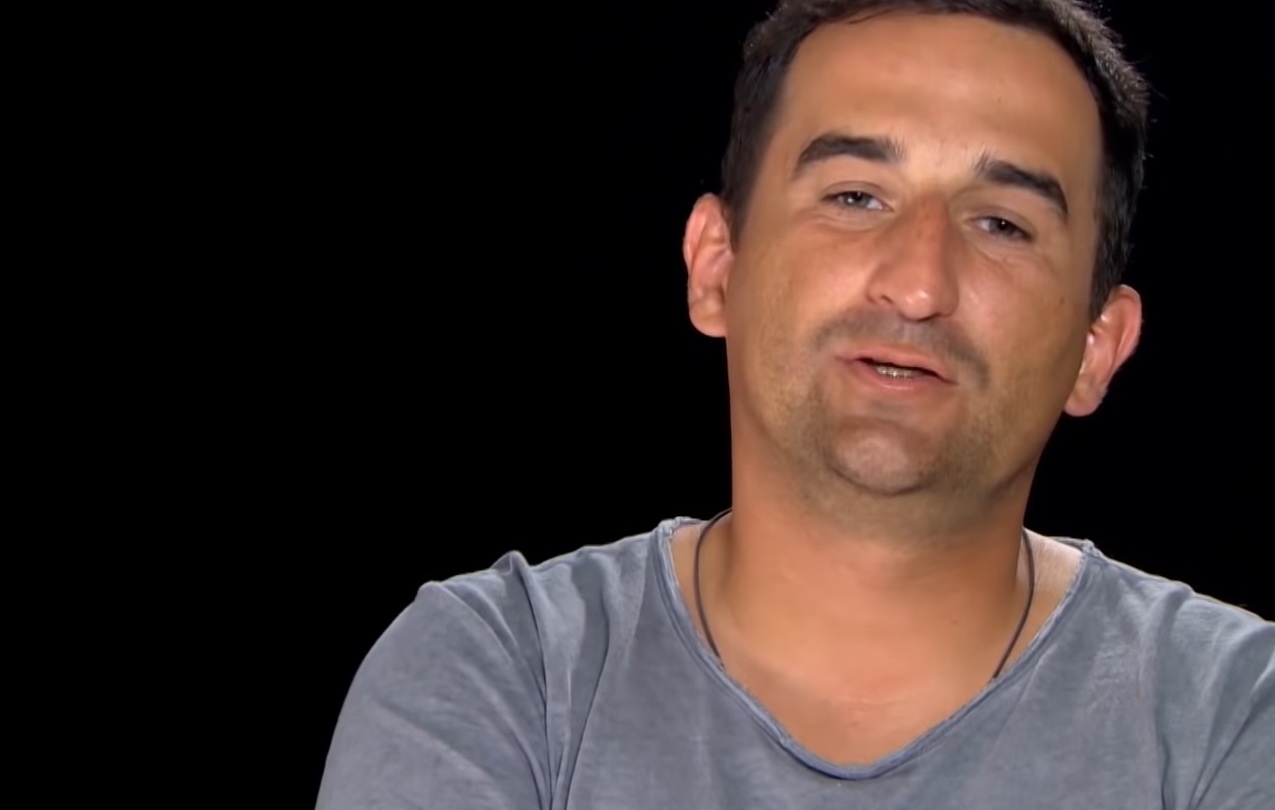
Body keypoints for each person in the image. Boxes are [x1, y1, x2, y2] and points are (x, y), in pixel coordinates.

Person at [318, 1, 1273, 807]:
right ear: (715, 268)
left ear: (1096, 347)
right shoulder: (499, 674)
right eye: (855, 196)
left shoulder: (1231, 713)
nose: (917, 284)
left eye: (1000, 223)